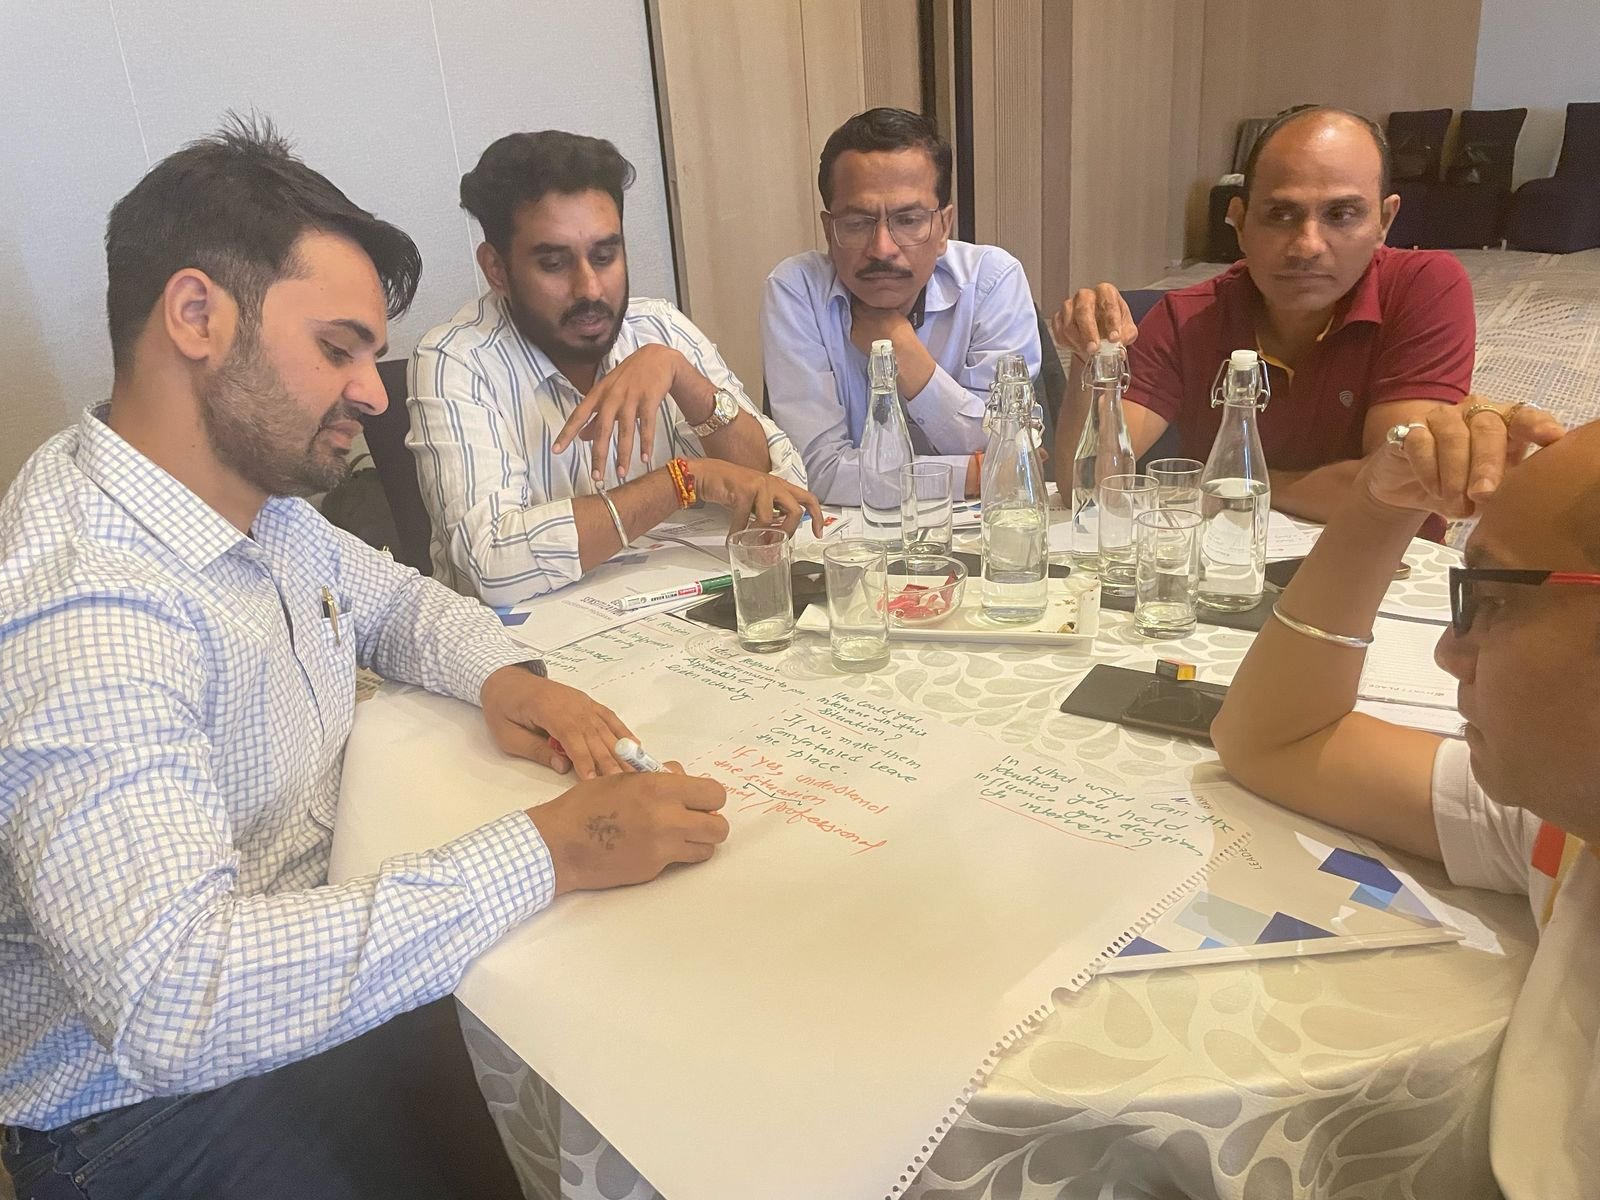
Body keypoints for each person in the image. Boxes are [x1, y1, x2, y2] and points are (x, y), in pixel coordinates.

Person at [0, 117, 730, 1200]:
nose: (373, 391)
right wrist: (555, 849)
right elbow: (174, 1000)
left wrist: (505, 679)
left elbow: (395, 600)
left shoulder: (250, 500)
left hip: (313, 958)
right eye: (337, 349)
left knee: (608, 1061)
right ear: (196, 317)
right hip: (148, 1113)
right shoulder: (90, 602)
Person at [1211, 400, 1597, 1198]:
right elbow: (1279, 738)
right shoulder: (1569, 826)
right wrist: (1379, 508)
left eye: (1494, 598)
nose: (1450, 651)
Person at [410, 131, 820, 606]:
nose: (589, 288)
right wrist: (681, 482)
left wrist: (686, 381)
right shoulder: (455, 359)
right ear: (497, 269)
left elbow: (783, 490)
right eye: (554, 264)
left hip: (671, 619)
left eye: (605, 257)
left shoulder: (659, 328)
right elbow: (491, 564)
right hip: (527, 639)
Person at [1053, 107, 1475, 525]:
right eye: (1280, 215)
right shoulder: (1187, 318)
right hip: (1227, 559)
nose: (1307, 246)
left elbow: (1404, 486)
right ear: (1239, 222)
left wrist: (1230, 484)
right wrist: (1091, 358)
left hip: (1387, 558)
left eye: (1341, 215)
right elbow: (1084, 488)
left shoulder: (1424, 287)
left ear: (1384, 220)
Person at [761, 107, 1042, 505]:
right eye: (857, 223)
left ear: (943, 228)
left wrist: (910, 361)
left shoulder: (991, 280)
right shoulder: (798, 290)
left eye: (908, 220)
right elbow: (815, 471)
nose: (882, 249)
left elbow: (1008, 445)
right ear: (828, 230)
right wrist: (972, 474)